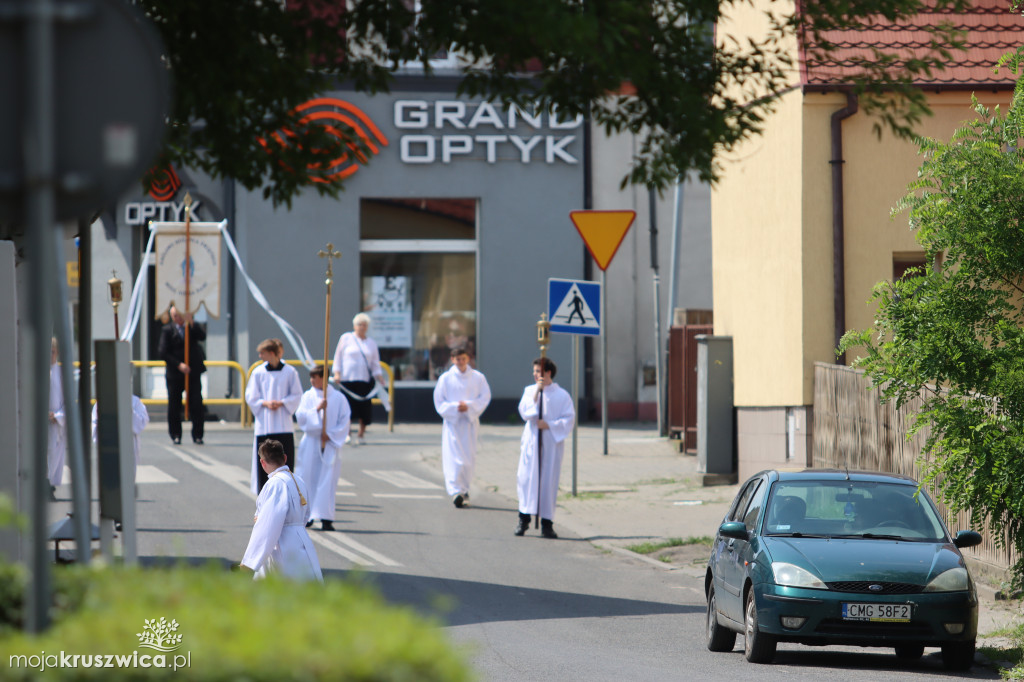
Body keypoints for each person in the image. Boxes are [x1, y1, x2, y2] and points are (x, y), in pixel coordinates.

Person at [240, 439, 323, 582]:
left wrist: (249, 563)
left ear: (262, 463)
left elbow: (267, 525)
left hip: (282, 543)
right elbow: (306, 514)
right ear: (284, 458)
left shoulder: (275, 484)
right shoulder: (298, 480)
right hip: (301, 539)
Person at [515, 357, 575, 538]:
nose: (535, 375)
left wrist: (548, 424)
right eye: (534, 371)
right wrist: (537, 394)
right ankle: (523, 519)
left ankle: (546, 523)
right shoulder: (529, 391)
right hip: (532, 443)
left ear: (548, 373)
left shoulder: (562, 395)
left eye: (538, 371)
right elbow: (525, 412)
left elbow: (568, 419)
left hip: (550, 444)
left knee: (548, 481)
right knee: (526, 480)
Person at [433, 346, 491, 508]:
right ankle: (455, 490)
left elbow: (485, 397)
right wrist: (454, 408)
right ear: (452, 360)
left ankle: (464, 489)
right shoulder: (445, 378)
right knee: (453, 456)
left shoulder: (478, 378)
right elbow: (439, 400)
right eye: (457, 359)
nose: (461, 362)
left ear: (468, 359)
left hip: (469, 422)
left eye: (463, 359)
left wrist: (470, 406)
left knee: (468, 457)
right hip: (453, 423)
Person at [294, 365, 350, 531]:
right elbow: (301, 417)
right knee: (308, 477)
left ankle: (326, 517)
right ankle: (308, 515)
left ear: (324, 378)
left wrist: (331, 435)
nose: (312, 380)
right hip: (311, 441)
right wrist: (317, 410)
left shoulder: (338, 398)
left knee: (328, 480)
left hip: (329, 443)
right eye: (311, 377)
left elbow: (345, 420)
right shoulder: (308, 396)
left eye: (315, 377)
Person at [245, 339, 302, 494]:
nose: (260, 356)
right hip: (265, 424)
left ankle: (287, 492)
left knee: (285, 461)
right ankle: (264, 493)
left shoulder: (290, 371)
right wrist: (265, 403)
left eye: (262, 353)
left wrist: (282, 403)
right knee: (264, 461)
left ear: (271, 353)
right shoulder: (258, 372)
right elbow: (250, 396)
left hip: (283, 424)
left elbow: (297, 394)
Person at [332, 312, 384, 446]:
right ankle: (347, 433)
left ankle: (361, 433)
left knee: (364, 408)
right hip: (348, 379)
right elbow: (338, 357)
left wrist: (379, 376)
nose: (362, 327)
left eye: (364, 325)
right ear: (355, 325)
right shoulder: (346, 338)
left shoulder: (371, 343)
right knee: (347, 408)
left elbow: (375, 363)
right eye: (360, 324)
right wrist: (337, 373)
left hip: (364, 380)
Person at [157, 305, 206, 445]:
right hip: (175, 374)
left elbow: (202, 336)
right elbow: (163, 352)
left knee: (196, 404)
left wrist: (191, 323)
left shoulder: (191, 327)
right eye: (173, 315)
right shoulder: (167, 330)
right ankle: (175, 434)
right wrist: (179, 364)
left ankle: (198, 435)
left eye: (178, 315)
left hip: (193, 373)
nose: (176, 318)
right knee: (174, 405)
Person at [91, 392, 151, 471]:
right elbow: (96, 431)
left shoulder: (135, 401)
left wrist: (128, 409)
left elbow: (140, 425)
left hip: (129, 452)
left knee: (128, 478)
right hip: (109, 451)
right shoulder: (101, 403)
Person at [47, 338, 65, 499]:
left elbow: (67, 401)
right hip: (43, 420)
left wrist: (58, 415)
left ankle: (49, 483)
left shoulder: (62, 374)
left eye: (52, 352)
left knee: (54, 453)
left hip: (56, 421)